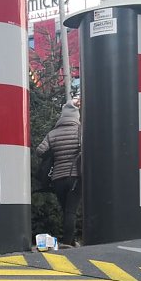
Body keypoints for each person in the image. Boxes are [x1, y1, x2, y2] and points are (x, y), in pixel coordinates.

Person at [36, 101, 82, 247]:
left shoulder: (52, 133)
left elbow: (40, 151)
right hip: (75, 177)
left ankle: (71, 241)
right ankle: (68, 242)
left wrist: (54, 152)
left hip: (57, 179)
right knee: (71, 211)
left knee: (65, 210)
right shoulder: (80, 131)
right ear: (76, 116)